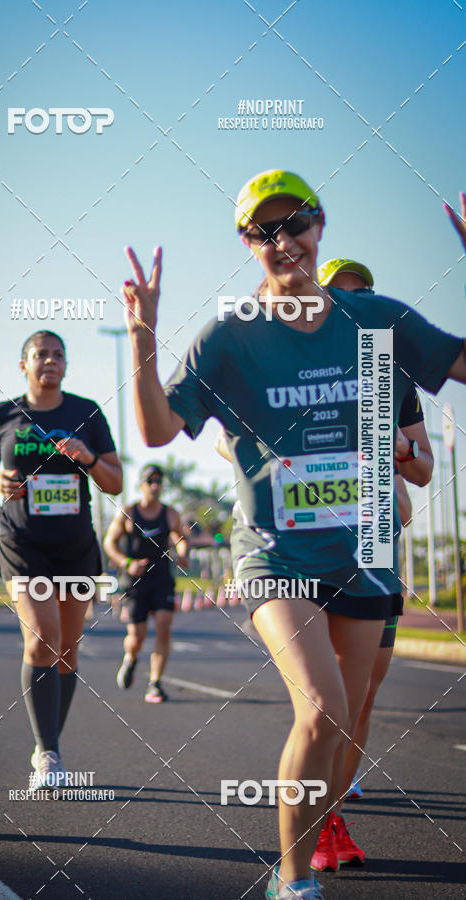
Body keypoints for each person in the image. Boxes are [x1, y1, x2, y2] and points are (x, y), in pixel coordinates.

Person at [121, 169, 466, 899]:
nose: (283, 242)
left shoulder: (375, 321)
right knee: (323, 708)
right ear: (247, 244)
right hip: (276, 557)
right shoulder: (230, 336)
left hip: (364, 555)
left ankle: (318, 837)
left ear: (320, 225)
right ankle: (294, 881)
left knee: (344, 725)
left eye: (295, 224)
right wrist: (142, 337)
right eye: (263, 232)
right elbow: (155, 429)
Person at [307, 258, 434, 870]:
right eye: (340, 295)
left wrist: (399, 453)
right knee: (323, 699)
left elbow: (423, 470)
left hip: (376, 550)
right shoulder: (297, 369)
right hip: (309, 550)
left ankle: (331, 816)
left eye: (364, 295)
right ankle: (313, 826)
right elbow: (236, 439)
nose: (353, 306)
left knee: (360, 698)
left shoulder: (394, 377)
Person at [0, 330, 122, 788]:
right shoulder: (2, 415)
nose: (50, 361)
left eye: (58, 354)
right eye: (40, 354)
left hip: (75, 546)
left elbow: (116, 482)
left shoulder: (86, 412)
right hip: (23, 543)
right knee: (43, 638)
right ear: (23, 365)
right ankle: (48, 755)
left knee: (66, 649)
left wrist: (89, 459)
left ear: (66, 364)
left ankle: (49, 744)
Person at [103, 463, 188, 703]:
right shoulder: (128, 512)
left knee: (164, 625)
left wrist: (183, 553)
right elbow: (109, 542)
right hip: (135, 582)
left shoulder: (170, 514)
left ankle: (155, 683)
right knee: (137, 636)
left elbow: (181, 537)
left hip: (161, 579)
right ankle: (130, 658)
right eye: (150, 481)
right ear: (141, 485)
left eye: (159, 482)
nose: (155, 486)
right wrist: (126, 562)